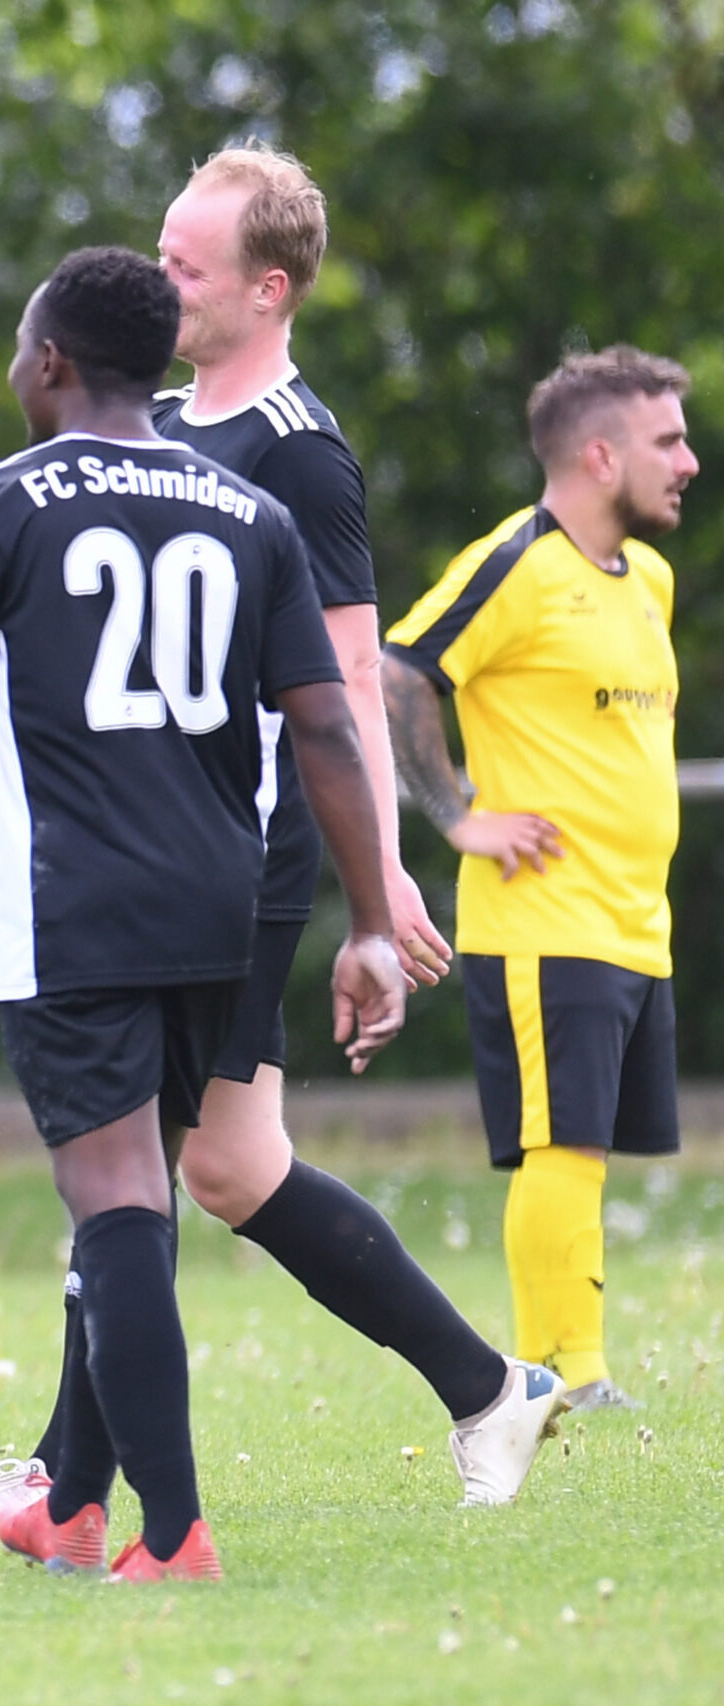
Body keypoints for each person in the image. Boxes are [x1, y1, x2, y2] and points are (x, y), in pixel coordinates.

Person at [0, 145, 560, 1512]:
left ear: (267, 288)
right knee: (202, 1160)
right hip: (179, 843)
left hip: (246, 839)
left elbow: (344, 680)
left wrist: (381, 885)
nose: (162, 273)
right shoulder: (156, 415)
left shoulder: (300, 453)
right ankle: (471, 1388)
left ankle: (85, 1479)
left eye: (188, 261)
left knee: (152, 1156)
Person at [0, 245, 408, 1580]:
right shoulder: (246, 513)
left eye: (18, 347)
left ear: (53, 361)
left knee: (118, 1198)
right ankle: (69, 1506)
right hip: (223, 904)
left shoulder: (3, 503)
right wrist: (362, 916)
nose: (14, 368)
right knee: (145, 1189)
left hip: (79, 907)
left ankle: (169, 1536)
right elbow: (332, 734)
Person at [383, 346, 696, 1413]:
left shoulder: (645, 577)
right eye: (667, 441)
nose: (688, 462)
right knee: (556, 1142)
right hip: (542, 917)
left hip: (632, 918)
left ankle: (573, 1358)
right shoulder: (513, 563)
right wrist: (458, 813)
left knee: (588, 1145)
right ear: (599, 454)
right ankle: (563, 1371)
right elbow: (401, 668)